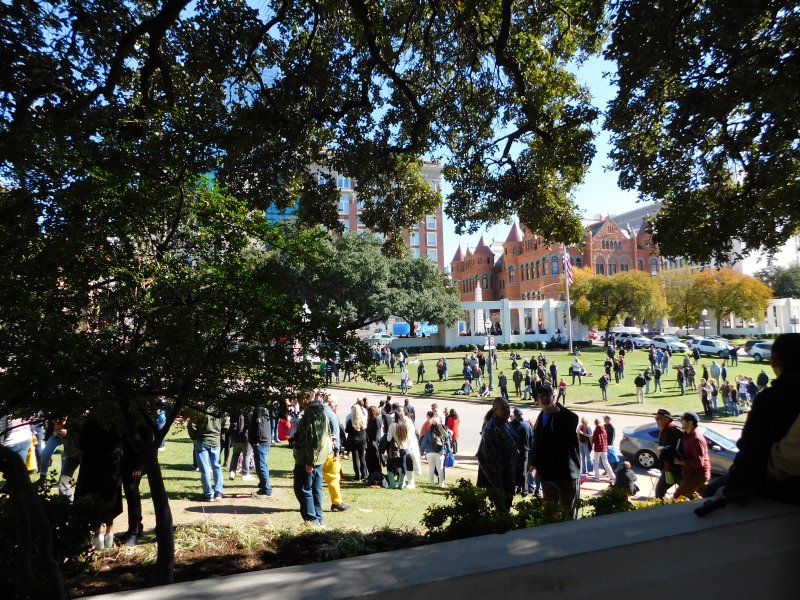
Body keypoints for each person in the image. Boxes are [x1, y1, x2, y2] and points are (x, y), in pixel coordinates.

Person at [712, 333, 800, 503]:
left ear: (774, 361)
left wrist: (733, 490)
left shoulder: (773, 398)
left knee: (711, 489)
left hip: (780, 487)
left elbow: (751, 452)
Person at [530, 384, 581, 518]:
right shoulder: (541, 417)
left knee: (568, 513)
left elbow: (574, 420)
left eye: (547, 395)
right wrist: (533, 462)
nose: (544, 398)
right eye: (541, 396)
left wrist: (559, 411)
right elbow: (538, 442)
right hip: (547, 475)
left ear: (554, 397)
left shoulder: (563, 414)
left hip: (565, 475)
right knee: (549, 511)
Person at [74, 416, 124, 550]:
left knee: (94, 495)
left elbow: (82, 444)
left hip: (92, 465)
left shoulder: (91, 422)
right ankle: (109, 534)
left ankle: (97, 536)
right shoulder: (116, 421)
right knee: (110, 497)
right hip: (112, 464)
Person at [293, 392, 332, 526]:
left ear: (308, 396)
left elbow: (315, 439)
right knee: (315, 489)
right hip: (318, 457)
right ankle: (318, 519)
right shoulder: (321, 410)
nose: (298, 400)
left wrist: (310, 462)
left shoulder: (312, 412)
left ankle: (313, 520)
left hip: (308, 459)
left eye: (299, 397)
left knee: (303, 489)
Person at [476, 397, 518, 512]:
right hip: (499, 482)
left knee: (506, 510)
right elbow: (486, 459)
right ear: (495, 410)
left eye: (508, 407)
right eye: (503, 408)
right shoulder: (491, 428)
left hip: (509, 477)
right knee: (501, 513)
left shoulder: (504, 423)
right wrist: (498, 487)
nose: (507, 410)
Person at [187, 407, 230, 502]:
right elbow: (226, 426)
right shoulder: (222, 410)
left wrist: (194, 436)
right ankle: (218, 492)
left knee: (205, 469)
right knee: (217, 467)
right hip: (215, 442)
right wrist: (218, 433)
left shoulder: (199, 410)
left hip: (202, 441)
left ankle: (208, 494)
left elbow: (191, 426)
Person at [322, 395, 350, 512]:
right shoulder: (331, 415)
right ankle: (336, 502)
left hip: (317, 451)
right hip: (329, 451)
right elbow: (335, 435)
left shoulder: (315, 411)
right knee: (333, 477)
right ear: (331, 403)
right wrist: (337, 451)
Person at [674, 411, 710, 498]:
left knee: (678, 497)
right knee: (699, 496)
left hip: (698, 475)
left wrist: (681, 462)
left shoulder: (696, 439)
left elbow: (699, 462)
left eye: (682, 420)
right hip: (691, 473)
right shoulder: (687, 434)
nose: (680, 421)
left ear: (690, 422)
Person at [654, 408, 683, 499]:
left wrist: (679, 460)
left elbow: (682, 448)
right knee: (659, 491)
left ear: (666, 419)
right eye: (656, 418)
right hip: (667, 468)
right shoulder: (664, 430)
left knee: (688, 492)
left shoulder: (676, 430)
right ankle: (662, 509)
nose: (656, 420)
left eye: (658, 418)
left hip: (678, 469)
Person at [249, 403, 274, 499]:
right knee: (261, 466)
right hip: (263, 441)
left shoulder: (259, 410)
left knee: (261, 466)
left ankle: (267, 490)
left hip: (261, 442)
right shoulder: (264, 410)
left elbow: (259, 425)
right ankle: (263, 487)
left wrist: (257, 440)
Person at [510, 407, 533, 496]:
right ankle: (524, 489)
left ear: (515, 415)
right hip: (525, 451)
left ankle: (517, 488)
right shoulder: (527, 425)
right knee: (524, 471)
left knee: (514, 470)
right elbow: (531, 439)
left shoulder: (511, 425)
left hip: (514, 451)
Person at [346, 405, 368, 483]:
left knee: (355, 459)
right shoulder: (363, 420)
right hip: (362, 440)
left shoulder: (351, 421)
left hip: (354, 441)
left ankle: (357, 476)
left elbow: (347, 430)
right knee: (362, 457)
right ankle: (364, 475)